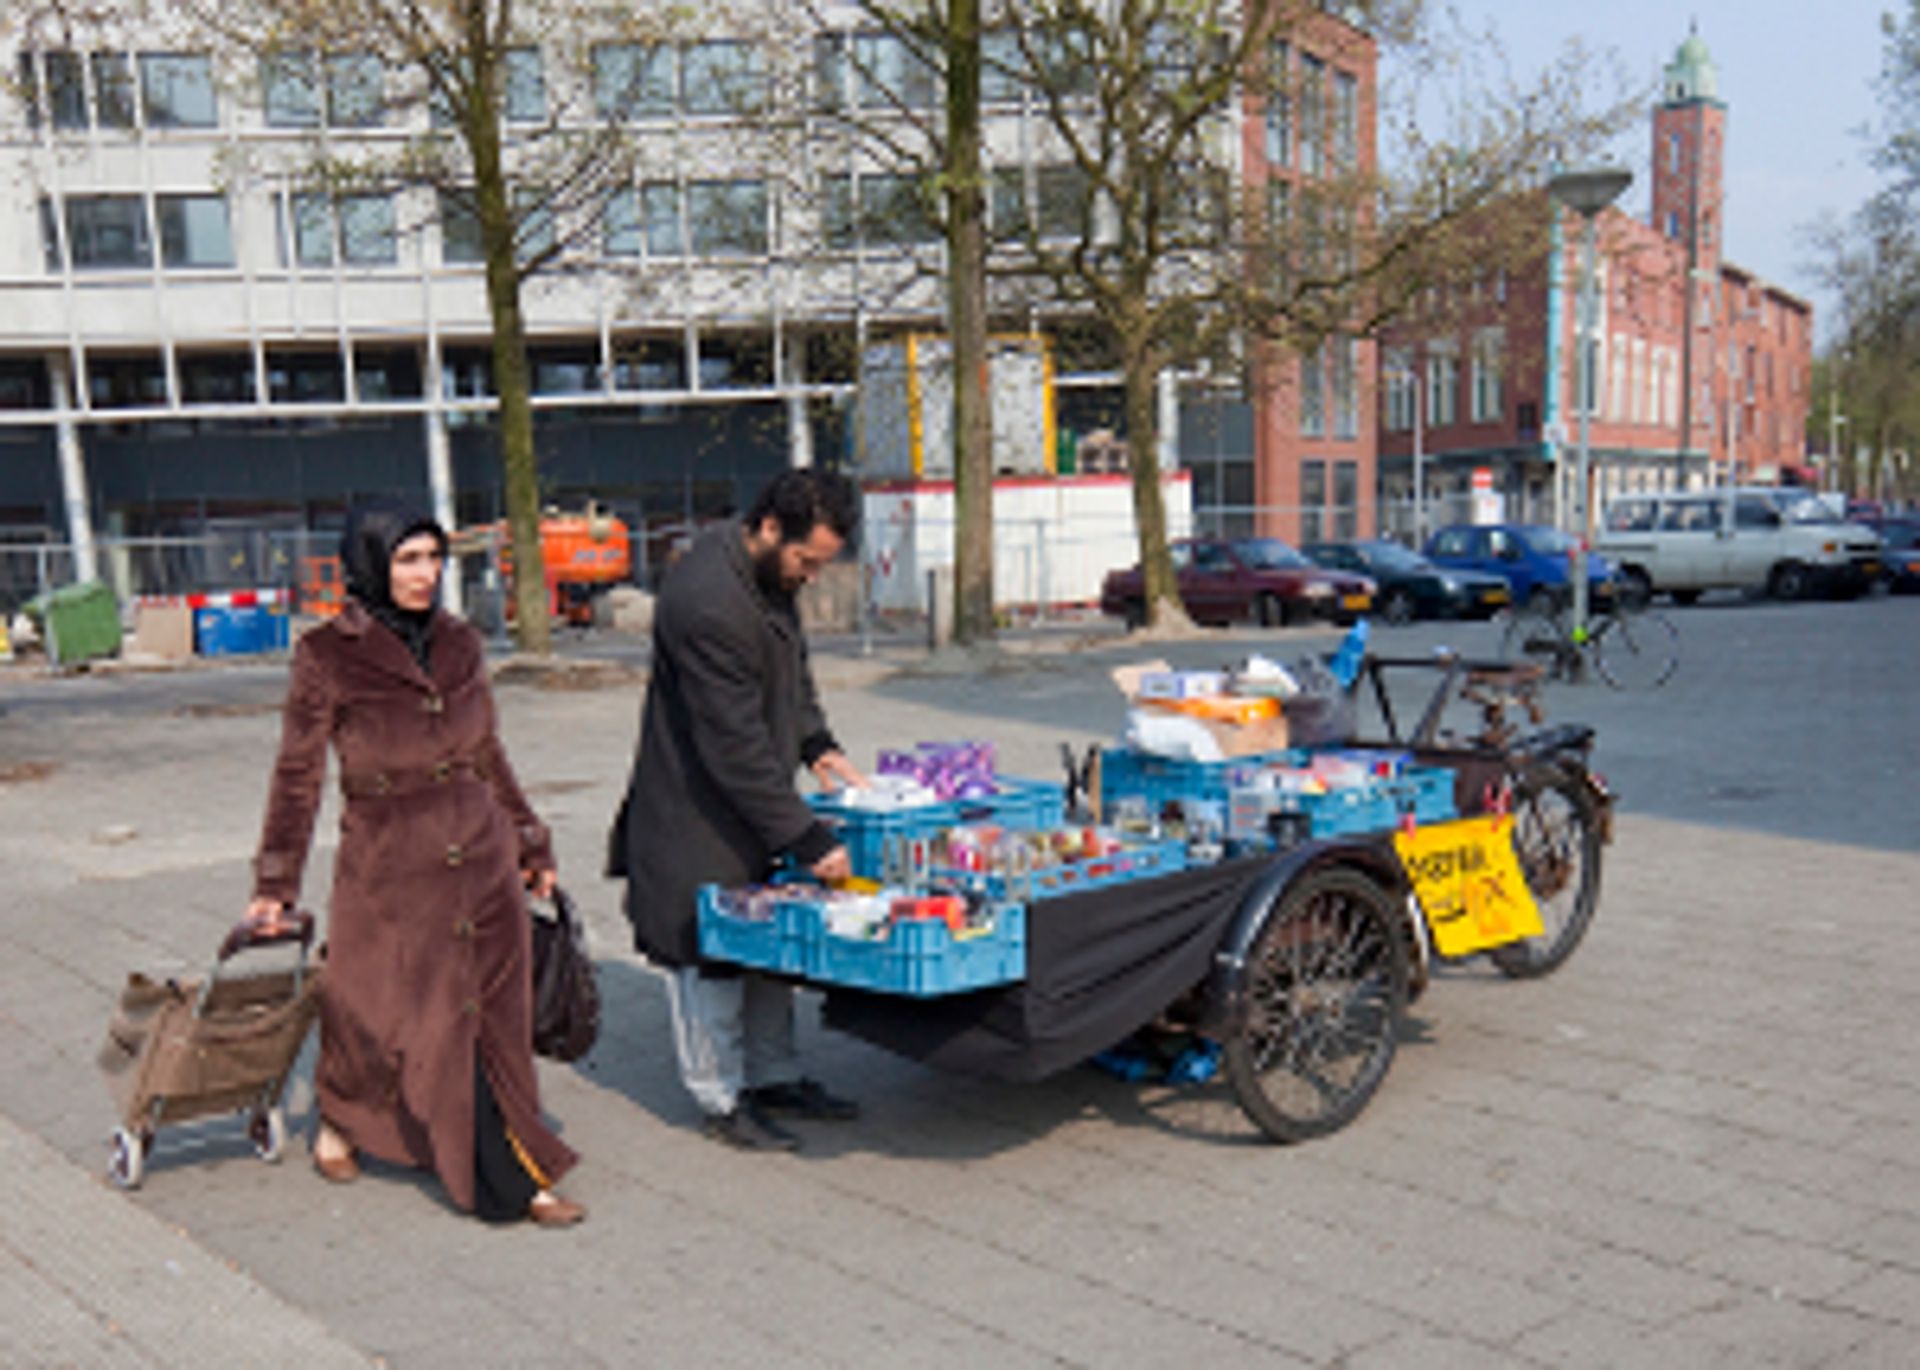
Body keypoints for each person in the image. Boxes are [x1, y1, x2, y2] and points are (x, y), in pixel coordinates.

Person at [246, 499, 585, 1226]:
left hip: (481, 856)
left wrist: (530, 841)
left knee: (488, 1018)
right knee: (371, 1010)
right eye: (407, 559)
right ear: (370, 563)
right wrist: (275, 883)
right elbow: (297, 777)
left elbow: (488, 752)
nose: (425, 574)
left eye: (433, 557)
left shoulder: (461, 642)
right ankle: (342, 1115)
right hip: (389, 862)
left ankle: (516, 1177)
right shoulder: (325, 655)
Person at [610, 470, 866, 1151]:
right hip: (695, 811)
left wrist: (816, 742)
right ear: (771, 528)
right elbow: (735, 746)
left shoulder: (768, 576)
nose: (811, 577)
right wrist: (808, 837)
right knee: (710, 955)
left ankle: (775, 1076)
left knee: (767, 944)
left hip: (749, 805)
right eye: (807, 561)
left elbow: (792, 671)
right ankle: (722, 1098)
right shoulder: (707, 601)